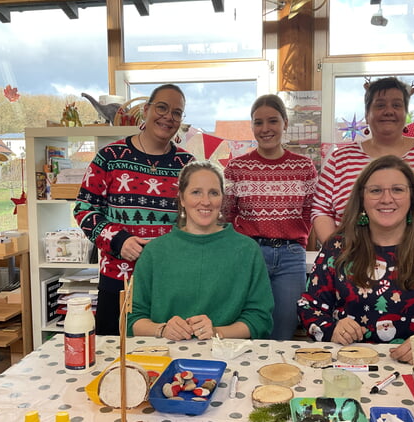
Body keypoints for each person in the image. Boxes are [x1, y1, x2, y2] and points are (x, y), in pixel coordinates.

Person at [298, 155, 414, 364]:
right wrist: (332, 329)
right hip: (349, 368)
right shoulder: (337, 247)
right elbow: (309, 308)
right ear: (362, 198)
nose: (386, 199)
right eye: (376, 190)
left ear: (412, 197)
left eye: (397, 190)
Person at [74, 84, 194, 335]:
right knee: (114, 354)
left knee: (169, 350)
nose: (168, 117)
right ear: (147, 110)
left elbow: (193, 218)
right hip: (118, 280)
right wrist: (118, 240)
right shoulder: (109, 157)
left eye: (177, 112)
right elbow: (84, 209)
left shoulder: (187, 164)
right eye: (162, 107)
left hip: (170, 280)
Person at [312, 76, 414, 248]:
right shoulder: (340, 160)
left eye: (397, 105)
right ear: (367, 113)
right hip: (354, 268)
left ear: (405, 113)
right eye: (380, 105)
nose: (388, 111)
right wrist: (337, 255)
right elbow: (321, 210)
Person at [127, 161, 274, 340]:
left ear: (223, 198)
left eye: (213, 193)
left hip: (229, 356)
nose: (205, 202)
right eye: (196, 192)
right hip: (164, 357)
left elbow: (260, 319)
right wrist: (162, 329)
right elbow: (131, 318)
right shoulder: (154, 252)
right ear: (181, 198)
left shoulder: (248, 251)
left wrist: (216, 332)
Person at [222, 94, 318, 340]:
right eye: (258, 122)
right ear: (252, 126)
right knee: (247, 326)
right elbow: (226, 214)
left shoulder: (304, 167)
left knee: (285, 329)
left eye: (273, 121)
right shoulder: (236, 168)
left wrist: (297, 242)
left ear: (285, 123)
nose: (265, 129)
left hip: (291, 257)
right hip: (250, 253)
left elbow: (310, 212)